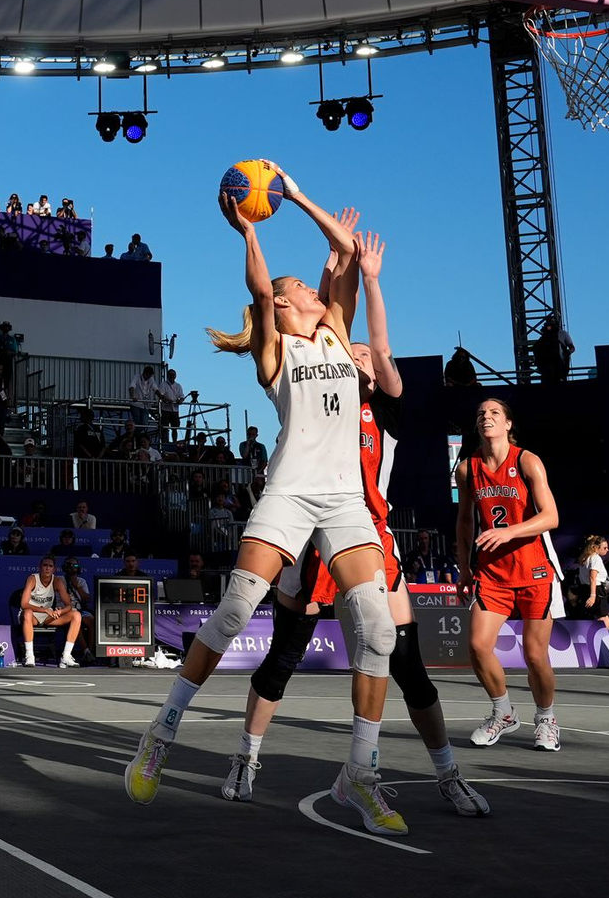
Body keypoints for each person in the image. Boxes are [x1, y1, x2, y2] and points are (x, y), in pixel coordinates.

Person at [125, 166, 405, 834]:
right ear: (282, 306)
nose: (311, 284)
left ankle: (359, 772)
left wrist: (299, 194)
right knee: (230, 614)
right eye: (299, 286)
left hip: (342, 500)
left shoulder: (338, 326)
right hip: (289, 491)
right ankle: (160, 734)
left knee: (380, 629)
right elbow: (260, 284)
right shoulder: (275, 351)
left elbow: (346, 248)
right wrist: (251, 230)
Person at [219, 230, 486, 817]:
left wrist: (358, 275)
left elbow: (363, 334)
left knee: (407, 662)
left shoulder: (384, 408)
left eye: (363, 354)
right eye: (353, 350)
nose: (358, 352)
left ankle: (446, 774)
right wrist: (331, 268)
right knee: (283, 657)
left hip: (366, 535)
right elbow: (322, 320)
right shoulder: (314, 380)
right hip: (311, 529)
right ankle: (246, 755)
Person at [455, 398, 563, 752]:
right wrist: (465, 566)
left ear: (508, 424)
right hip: (492, 573)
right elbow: (465, 521)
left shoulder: (527, 460)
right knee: (477, 645)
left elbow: (550, 517)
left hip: (533, 568)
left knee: (535, 655)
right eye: (481, 414)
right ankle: (503, 712)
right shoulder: (467, 469)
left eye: (494, 413)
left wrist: (510, 532)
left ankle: (546, 718)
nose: (486, 417)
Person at [18, 556, 82, 668]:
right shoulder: (32, 579)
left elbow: (69, 605)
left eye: (50, 566)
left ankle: (66, 656)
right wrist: (44, 610)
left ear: (54, 569)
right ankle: (29, 656)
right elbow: (24, 604)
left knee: (76, 615)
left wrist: (60, 611)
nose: (47, 568)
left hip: (48, 616)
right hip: (31, 616)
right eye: (45, 565)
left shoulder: (57, 581)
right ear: (40, 567)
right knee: (27, 612)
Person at [572, 534, 609, 627]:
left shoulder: (585, 558)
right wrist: (593, 595)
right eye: (605, 548)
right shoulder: (595, 558)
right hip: (596, 590)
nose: (607, 550)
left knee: (603, 621)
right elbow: (592, 577)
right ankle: (602, 640)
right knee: (603, 621)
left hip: (587, 589)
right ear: (596, 547)